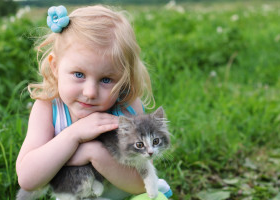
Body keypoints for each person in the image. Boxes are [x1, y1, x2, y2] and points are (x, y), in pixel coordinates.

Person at [16, 5, 172, 200]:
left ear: (123, 78)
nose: (90, 93)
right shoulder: (48, 108)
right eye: (79, 74)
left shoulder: (126, 107)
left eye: (106, 79)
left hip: (121, 195)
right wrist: (73, 135)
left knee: (156, 198)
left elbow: (139, 186)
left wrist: (94, 153)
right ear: (55, 67)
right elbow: (28, 179)